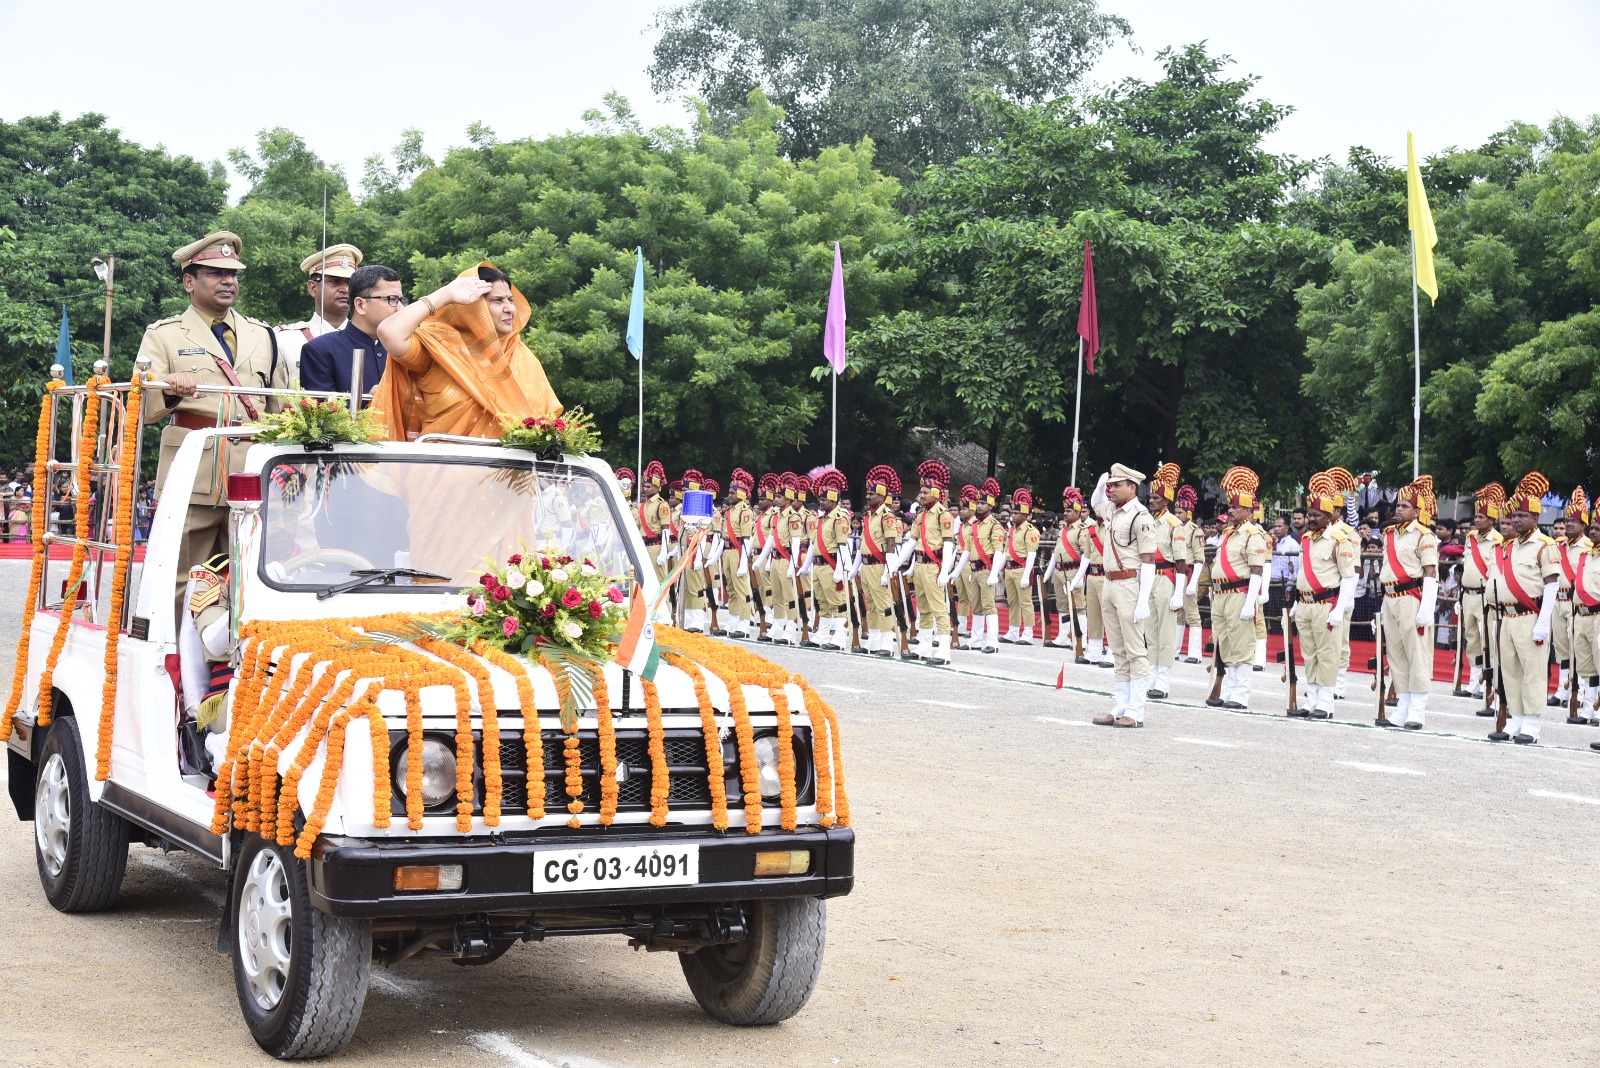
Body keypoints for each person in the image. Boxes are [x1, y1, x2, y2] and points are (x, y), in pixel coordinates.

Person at [137, 230, 288, 622]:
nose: (228, 281)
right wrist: (170, 390)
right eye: (216, 273)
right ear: (189, 281)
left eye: (233, 274)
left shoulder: (263, 334)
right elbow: (144, 406)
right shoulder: (165, 334)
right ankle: (179, 670)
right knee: (187, 575)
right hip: (196, 468)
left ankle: (238, 668)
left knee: (252, 574)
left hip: (252, 469)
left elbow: (281, 405)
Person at [371, 262, 561, 440]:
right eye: (497, 301)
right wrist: (447, 294)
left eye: (510, 300)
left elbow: (548, 427)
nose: (510, 309)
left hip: (510, 473)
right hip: (445, 470)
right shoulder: (439, 347)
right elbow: (389, 332)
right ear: (472, 307)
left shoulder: (520, 355)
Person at [1492, 473, 1561, 744]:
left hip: (1530, 614)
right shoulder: (1510, 546)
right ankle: (1516, 720)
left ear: (1535, 519)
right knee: (1511, 670)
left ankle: (1531, 723)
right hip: (1508, 616)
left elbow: (1552, 585)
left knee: (1532, 671)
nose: (1516, 520)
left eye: (1522, 516)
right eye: (1514, 516)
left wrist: (1543, 623)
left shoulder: (1545, 545)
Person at [1089, 463, 1158, 727]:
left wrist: (1143, 600)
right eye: (1111, 484)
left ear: (1132, 487)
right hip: (1109, 583)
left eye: (1117, 485)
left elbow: (1149, 560)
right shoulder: (1112, 510)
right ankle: (1120, 707)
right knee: (1117, 650)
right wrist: (1099, 484)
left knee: (1135, 650)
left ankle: (1136, 712)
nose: (1111, 489)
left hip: (1130, 584)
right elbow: (1096, 502)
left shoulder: (1140, 516)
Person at [1292, 472, 1360, 720]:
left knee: (1327, 655)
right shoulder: (1307, 539)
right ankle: (1311, 701)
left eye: (1315, 515)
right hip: (1305, 603)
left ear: (1329, 516)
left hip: (1326, 604)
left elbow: (1349, 577)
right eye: (1309, 514)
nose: (1310, 519)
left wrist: (1339, 609)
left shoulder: (1339, 540)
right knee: (1309, 655)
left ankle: (1326, 703)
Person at [1378, 476, 1441, 729]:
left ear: (1417, 511)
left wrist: (1426, 607)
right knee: (1396, 654)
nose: (1399, 509)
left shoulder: (1424, 535)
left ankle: (1418, 709)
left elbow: (1430, 572)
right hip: (1390, 597)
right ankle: (1403, 705)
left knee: (1417, 654)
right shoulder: (1389, 534)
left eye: (1405, 506)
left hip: (1411, 597)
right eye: (1398, 505)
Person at [1209, 468, 1270, 709]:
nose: (1230, 510)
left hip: (1239, 593)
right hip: (1222, 595)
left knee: (1241, 645)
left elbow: (1257, 570)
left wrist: (1249, 603)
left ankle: (1241, 694)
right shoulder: (1228, 533)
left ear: (1247, 510)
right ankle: (1231, 690)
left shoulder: (1253, 534)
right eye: (1229, 507)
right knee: (1226, 644)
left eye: (1235, 507)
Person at [300, 263, 401, 401]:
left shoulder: (402, 349)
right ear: (360, 305)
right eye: (391, 300)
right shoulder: (320, 351)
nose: (400, 309)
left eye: (400, 300)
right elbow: (325, 417)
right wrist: (374, 403)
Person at [274, 244, 361, 386]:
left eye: (350, 283)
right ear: (313, 288)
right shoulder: (285, 340)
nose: (345, 289)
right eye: (335, 281)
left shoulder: (367, 340)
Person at [896, 461, 956, 663]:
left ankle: (944, 651)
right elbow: (912, 541)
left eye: (924, 492)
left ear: (936, 493)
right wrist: (897, 564)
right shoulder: (920, 514)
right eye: (920, 492)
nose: (920, 495)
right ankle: (924, 647)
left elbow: (948, 545)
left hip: (934, 566)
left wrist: (945, 571)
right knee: (923, 608)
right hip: (920, 566)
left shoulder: (943, 515)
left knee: (939, 608)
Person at [1143, 463, 1189, 698]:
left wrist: (1179, 592)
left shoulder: (1175, 525)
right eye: (1150, 497)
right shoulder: (1148, 521)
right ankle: (1151, 674)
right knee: (1150, 630)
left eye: (1156, 498)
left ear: (1166, 500)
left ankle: (1163, 680)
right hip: (1149, 577)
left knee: (1166, 631)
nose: (1151, 501)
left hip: (1166, 579)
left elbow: (1181, 562)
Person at [1460, 484, 1506, 699]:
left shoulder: (1498, 540)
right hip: (1467, 595)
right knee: (1472, 639)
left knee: (1488, 639)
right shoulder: (1470, 537)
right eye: (1476, 516)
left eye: (1481, 517)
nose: (1477, 520)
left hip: (1485, 597)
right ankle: (1474, 680)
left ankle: (1490, 681)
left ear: (1492, 519)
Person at [1552, 489, 1591, 709]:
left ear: (1583, 525)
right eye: (1567, 520)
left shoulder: (1588, 547)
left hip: (1577, 603)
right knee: (1562, 650)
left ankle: (1583, 693)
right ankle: (1562, 691)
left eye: (1574, 521)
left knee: (1580, 650)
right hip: (1558, 601)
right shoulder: (1558, 546)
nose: (1568, 525)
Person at [806, 470, 853, 650]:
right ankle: (822, 634)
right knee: (822, 603)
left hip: (831, 565)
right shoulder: (820, 519)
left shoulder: (839, 519)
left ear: (833, 500)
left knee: (837, 603)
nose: (821, 502)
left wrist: (840, 570)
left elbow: (843, 546)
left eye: (824, 499)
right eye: (820, 499)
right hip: (819, 566)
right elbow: (814, 543)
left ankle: (840, 637)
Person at [860, 466, 901, 657]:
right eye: (867, 493)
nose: (867, 496)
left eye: (871, 494)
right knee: (871, 604)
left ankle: (887, 643)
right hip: (866, 566)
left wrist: (889, 570)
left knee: (884, 605)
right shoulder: (867, 516)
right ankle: (874, 642)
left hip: (879, 566)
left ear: (881, 496)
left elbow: (891, 544)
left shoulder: (887, 516)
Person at [1043, 487, 1086, 649]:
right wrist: (1048, 573)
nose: (1065, 513)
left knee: (1079, 606)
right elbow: (1056, 553)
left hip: (1073, 570)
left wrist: (1080, 578)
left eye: (1069, 510)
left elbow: (1085, 555)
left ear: (1077, 512)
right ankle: (1064, 635)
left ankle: (1080, 637)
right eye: (1065, 510)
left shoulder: (1082, 530)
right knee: (1062, 605)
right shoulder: (1062, 530)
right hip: (1059, 571)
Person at [718, 469, 757, 639]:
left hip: (738, 551)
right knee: (731, 589)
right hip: (727, 552)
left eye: (733, 492)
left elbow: (747, 538)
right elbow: (723, 535)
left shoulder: (745, 512)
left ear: (742, 494)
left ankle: (744, 623)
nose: (730, 495)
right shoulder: (729, 511)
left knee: (742, 590)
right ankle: (733, 622)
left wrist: (743, 562)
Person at [1001, 488, 1041, 645]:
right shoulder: (1011, 530)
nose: (1013, 515)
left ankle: (1028, 632)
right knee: (1012, 602)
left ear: (1024, 515)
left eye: (1016, 513)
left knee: (1025, 602)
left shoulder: (1031, 531)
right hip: (1009, 569)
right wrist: (999, 569)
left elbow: (1031, 555)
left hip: (1021, 569)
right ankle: (1013, 631)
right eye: (1012, 512)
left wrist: (1026, 574)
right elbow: (1006, 551)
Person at [970, 478, 1006, 654]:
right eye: (978, 502)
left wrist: (994, 573)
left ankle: (993, 642)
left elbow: (999, 551)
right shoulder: (975, 526)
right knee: (976, 605)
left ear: (991, 506)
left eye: (983, 503)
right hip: (975, 569)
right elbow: (970, 550)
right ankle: (976, 640)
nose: (979, 505)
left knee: (989, 606)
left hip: (986, 569)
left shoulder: (995, 526)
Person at [1175, 485, 1206, 663]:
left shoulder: (1196, 531)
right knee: (1178, 612)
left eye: (1180, 512)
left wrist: (1193, 582)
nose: (1177, 515)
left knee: (1192, 613)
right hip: (1177, 573)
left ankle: (1195, 653)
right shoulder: (1175, 528)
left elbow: (1199, 559)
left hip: (1188, 573)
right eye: (1176, 512)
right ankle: (1175, 649)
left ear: (1189, 513)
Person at [635, 461, 672, 590]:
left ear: (657, 487)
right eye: (644, 486)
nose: (645, 489)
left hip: (656, 547)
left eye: (649, 486)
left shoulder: (661, 504)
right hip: (643, 547)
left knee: (660, 581)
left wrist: (663, 552)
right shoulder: (642, 505)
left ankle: (662, 608)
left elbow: (666, 530)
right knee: (644, 580)